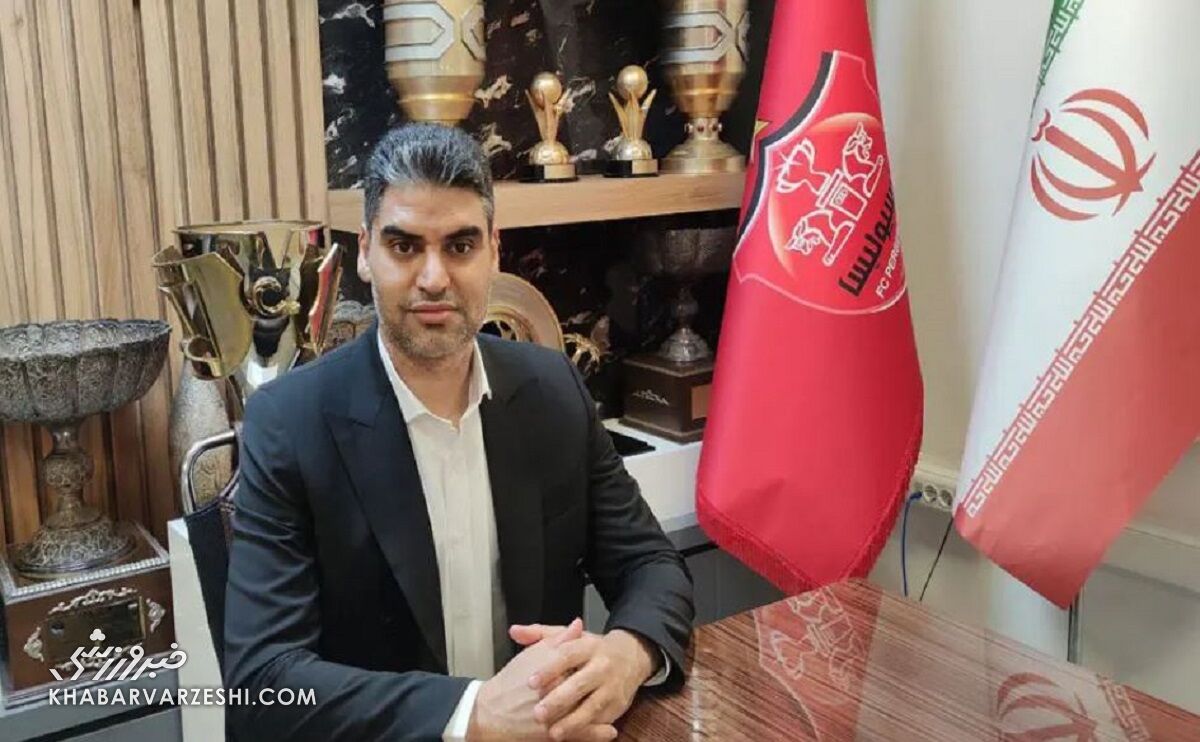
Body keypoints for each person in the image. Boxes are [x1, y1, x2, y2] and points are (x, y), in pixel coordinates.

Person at [224, 123, 695, 741]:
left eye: (461, 246)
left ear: (495, 251)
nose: (434, 278)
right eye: (404, 246)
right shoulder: (289, 423)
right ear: (364, 252)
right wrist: (473, 714)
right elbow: (263, 682)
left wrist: (627, 655)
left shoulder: (552, 389)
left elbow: (651, 564)